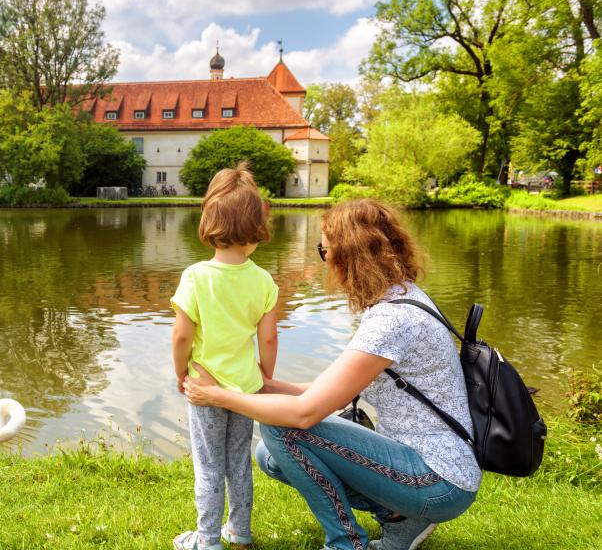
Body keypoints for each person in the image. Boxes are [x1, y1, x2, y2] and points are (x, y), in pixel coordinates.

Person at [185, 198, 481, 550]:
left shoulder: (391, 320)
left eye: (323, 250)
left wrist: (218, 396)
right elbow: (323, 390)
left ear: (348, 255)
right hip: (426, 467)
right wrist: (254, 385)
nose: (323, 260)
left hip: (438, 480)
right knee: (269, 456)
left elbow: (306, 412)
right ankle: (401, 521)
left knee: (282, 429)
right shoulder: (402, 298)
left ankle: (345, 542)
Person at [170, 162, 279, 550]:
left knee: (208, 464)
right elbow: (268, 340)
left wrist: (180, 372)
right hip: (245, 387)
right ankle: (241, 532)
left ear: (209, 221)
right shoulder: (263, 281)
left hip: (205, 387)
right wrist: (263, 374)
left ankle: (208, 539)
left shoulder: (196, 277)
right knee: (238, 462)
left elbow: (182, 334)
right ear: (255, 228)